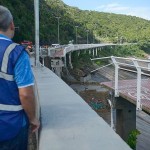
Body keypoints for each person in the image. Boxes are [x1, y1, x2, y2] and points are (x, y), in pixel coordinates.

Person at [0, 5, 40, 150]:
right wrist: (33, 118)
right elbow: (26, 94)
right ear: (12, 25)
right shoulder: (15, 52)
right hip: (9, 127)